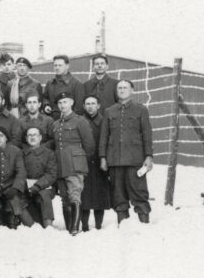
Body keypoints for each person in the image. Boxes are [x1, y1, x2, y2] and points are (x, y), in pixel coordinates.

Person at [99, 80, 154, 224]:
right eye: (119, 88)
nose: (122, 90)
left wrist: (148, 156)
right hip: (115, 161)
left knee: (139, 194)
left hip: (135, 160)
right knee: (118, 196)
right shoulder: (109, 111)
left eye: (125, 87)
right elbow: (104, 136)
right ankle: (123, 227)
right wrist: (103, 157)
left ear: (132, 90)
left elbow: (147, 134)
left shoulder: (141, 110)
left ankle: (144, 226)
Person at [47, 92, 95, 235]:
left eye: (65, 102)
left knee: (75, 195)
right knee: (64, 197)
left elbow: (89, 146)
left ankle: (75, 227)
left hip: (75, 164)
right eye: (60, 103)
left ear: (72, 103)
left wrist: (80, 161)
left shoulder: (80, 121)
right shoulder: (56, 124)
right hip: (60, 164)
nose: (62, 105)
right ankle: (69, 226)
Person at [81, 95, 111, 231]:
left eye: (93, 103)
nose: (90, 106)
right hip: (84, 162)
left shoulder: (105, 121)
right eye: (87, 104)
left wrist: (105, 158)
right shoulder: (80, 121)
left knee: (100, 195)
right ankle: (85, 225)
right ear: (83, 106)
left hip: (100, 162)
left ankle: (99, 225)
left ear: (98, 106)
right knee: (84, 194)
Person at [23, 127, 58, 228]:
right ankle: (32, 225)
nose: (32, 137)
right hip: (27, 187)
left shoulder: (49, 153)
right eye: (29, 135)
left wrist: (38, 186)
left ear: (40, 137)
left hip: (45, 186)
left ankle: (49, 226)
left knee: (44, 195)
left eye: (35, 135)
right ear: (26, 138)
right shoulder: (22, 154)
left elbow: (51, 173)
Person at [43, 54, 85, 119]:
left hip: (69, 124)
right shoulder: (50, 83)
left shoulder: (76, 84)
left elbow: (79, 108)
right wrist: (46, 105)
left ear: (67, 66)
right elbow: (44, 97)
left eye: (60, 65)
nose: (57, 68)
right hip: (51, 121)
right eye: (55, 65)